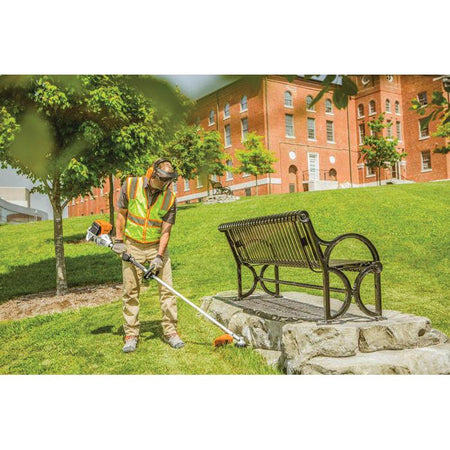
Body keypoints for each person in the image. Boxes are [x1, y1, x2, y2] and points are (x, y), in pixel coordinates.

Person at [112, 158, 184, 353]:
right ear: (152, 173)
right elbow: (121, 214)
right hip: (132, 245)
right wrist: (119, 241)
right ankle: (131, 334)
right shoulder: (131, 185)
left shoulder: (170, 197)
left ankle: (170, 331)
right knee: (131, 291)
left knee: (167, 290)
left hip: (156, 246)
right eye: (162, 180)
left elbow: (166, 231)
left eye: (168, 180)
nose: (165, 184)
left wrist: (159, 257)